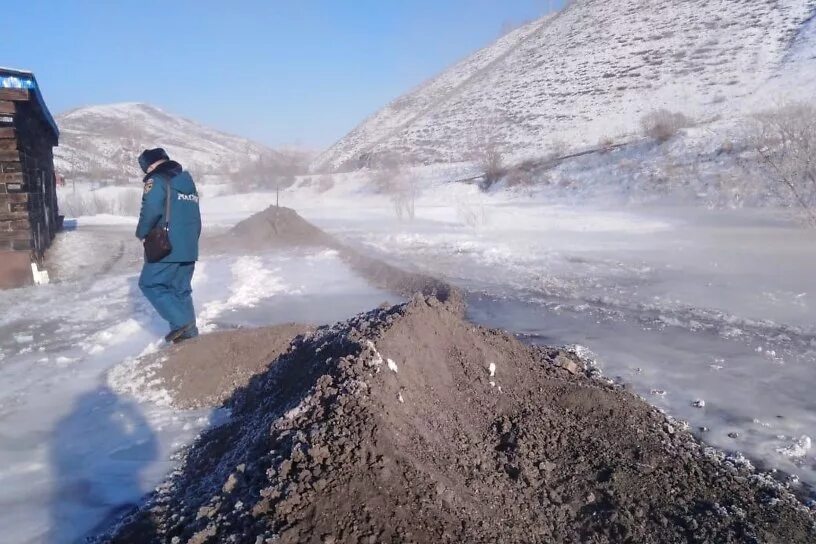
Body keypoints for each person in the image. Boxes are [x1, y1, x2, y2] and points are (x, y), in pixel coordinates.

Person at [135, 148, 201, 343]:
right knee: (180, 290)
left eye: (146, 169)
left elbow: (151, 209)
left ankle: (182, 324)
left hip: (166, 245)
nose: (146, 172)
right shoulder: (186, 182)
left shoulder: (157, 180)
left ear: (151, 166)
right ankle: (189, 337)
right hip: (189, 245)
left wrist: (142, 233)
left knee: (150, 283)